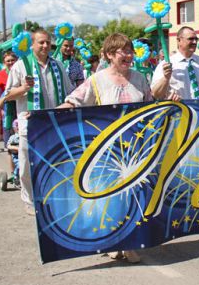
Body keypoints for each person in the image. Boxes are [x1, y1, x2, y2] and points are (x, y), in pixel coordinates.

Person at [58, 33, 154, 263]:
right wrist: (43, 116)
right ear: (110, 54)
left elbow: (150, 106)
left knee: (132, 196)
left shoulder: (140, 79)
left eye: (130, 51)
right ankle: (115, 243)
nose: (129, 56)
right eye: (123, 51)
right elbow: (74, 101)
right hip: (107, 150)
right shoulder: (97, 80)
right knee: (111, 198)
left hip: (134, 149)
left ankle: (128, 243)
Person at [4, 29, 71, 214]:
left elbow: (69, 91)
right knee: (27, 162)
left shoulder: (58, 65)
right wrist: (24, 88)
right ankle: (29, 200)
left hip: (55, 122)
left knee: (57, 160)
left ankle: (55, 197)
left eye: (48, 42)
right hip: (30, 122)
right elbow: (8, 95)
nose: (45, 45)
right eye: (41, 42)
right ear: (32, 44)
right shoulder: (21, 65)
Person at [151, 26, 199, 101]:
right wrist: (165, 78)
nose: (194, 42)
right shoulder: (166, 65)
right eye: (191, 39)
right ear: (179, 40)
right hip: (179, 108)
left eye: (196, 39)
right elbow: (156, 95)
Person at [0, 51, 19, 152]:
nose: (10, 62)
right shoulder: (1, 74)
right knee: (9, 128)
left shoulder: (21, 71)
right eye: (8, 61)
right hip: (8, 106)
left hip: (21, 103)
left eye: (12, 60)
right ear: (4, 63)